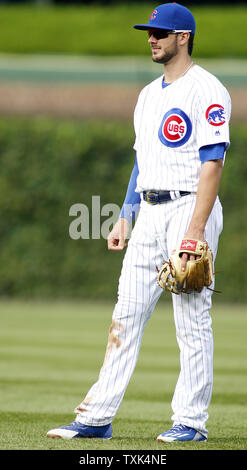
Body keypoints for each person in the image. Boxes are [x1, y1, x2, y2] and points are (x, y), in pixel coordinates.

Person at [47, 3, 231, 442]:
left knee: (191, 318)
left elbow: (213, 164)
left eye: (161, 32)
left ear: (183, 37)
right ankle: (96, 417)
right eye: (149, 31)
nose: (152, 38)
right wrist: (125, 216)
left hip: (190, 207)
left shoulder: (207, 89)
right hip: (149, 211)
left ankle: (191, 422)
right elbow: (141, 162)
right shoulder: (148, 95)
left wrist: (193, 231)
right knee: (126, 314)